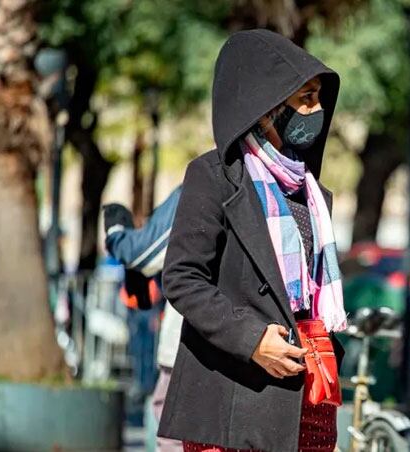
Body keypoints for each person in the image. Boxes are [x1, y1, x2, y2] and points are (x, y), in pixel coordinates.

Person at [159, 29, 348, 451]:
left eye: (318, 96)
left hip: (308, 395)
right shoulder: (214, 177)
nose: (316, 110)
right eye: (306, 98)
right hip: (234, 392)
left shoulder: (312, 193)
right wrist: (251, 340)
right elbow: (183, 278)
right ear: (266, 109)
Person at [102, 188, 184, 451]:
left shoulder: (208, 180)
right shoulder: (300, 187)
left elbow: (142, 255)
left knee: (174, 438)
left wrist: (116, 233)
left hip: (192, 348)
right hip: (259, 347)